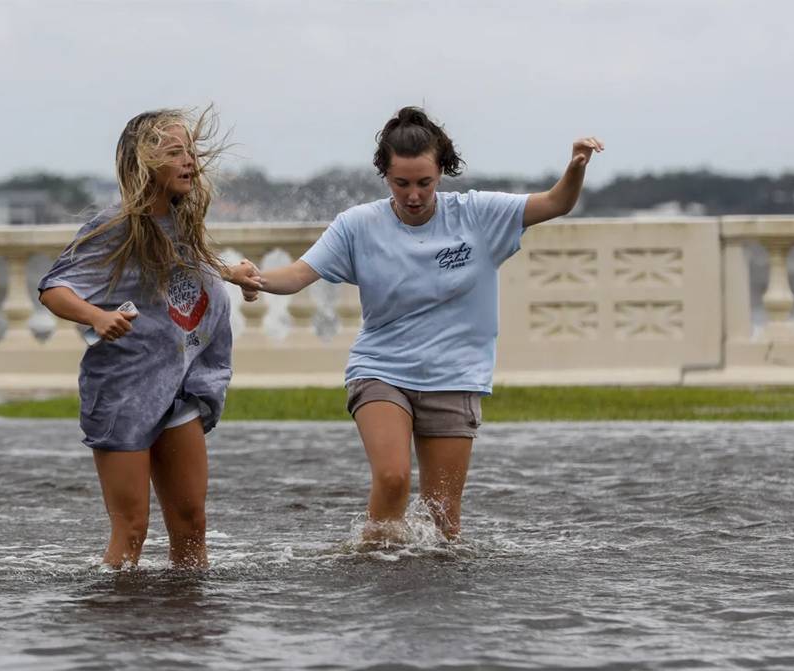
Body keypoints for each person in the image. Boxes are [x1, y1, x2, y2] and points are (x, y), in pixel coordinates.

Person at [242, 106, 603, 543]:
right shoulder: (358, 225)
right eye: (401, 184)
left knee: (444, 522)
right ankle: (370, 569)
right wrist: (256, 278)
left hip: (454, 376)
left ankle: (430, 604)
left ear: (442, 173)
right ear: (385, 177)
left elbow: (557, 202)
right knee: (393, 479)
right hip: (381, 370)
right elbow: (298, 275)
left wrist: (575, 167)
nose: (413, 195)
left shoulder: (478, 215)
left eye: (424, 183)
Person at [38, 108, 261, 569]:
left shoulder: (181, 221)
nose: (189, 162)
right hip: (123, 392)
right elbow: (54, 289)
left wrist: (230, 272)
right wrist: (96, 317)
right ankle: (118, 627)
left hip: (178, 388)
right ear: (144, 163)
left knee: (192, 523)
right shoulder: (115, 226)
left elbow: (185, 264)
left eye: (191, 152)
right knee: (132, 529)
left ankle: (187, 628)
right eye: (175, 152)